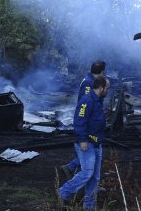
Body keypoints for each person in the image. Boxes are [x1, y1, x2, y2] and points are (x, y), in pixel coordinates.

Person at [58, 76, 110, 210]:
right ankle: (62, 193)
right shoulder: (87, 100)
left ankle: (89, 206)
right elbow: (79, 120)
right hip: (87, 143)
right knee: (87, 173)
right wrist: (82, 140)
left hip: (97, 142)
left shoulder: (98, 100)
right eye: (107, 88)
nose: (108, 90)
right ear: (101, 87)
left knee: (94, 177)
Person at [61, 60, 106, 179]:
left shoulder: (90, 80)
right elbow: (86, 101)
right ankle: (72, 169)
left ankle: (72, 168)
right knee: (89, 150)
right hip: (88, 118)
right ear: (102, 71)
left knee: (92, 150)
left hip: (91, 118)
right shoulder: (89, 83)